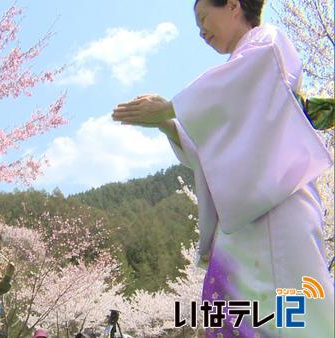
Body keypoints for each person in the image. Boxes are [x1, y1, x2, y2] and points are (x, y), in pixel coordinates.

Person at [112, 0, 334, 337]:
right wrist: (170, 123)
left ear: (232, 5)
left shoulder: (267, 44)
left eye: (204, 18)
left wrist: (171, 108)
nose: (202, 32)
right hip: (242, 223)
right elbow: (208, 143)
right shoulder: (241, 66)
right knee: (238, 313)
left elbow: (242, 84)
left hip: (279, 209)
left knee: (291, 313)